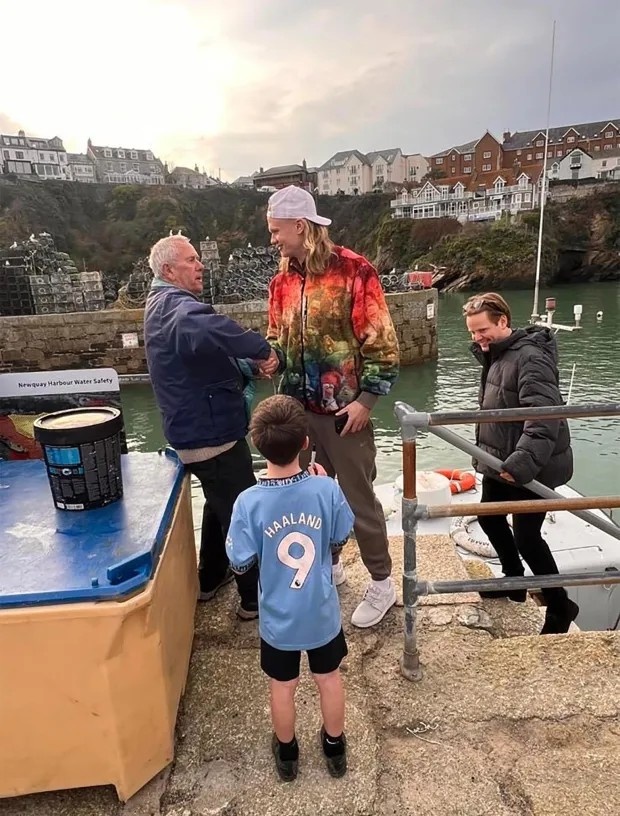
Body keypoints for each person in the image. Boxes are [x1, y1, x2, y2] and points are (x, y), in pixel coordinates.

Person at [261, 185, 400, 629]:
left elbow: (382, 343)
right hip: (297, 414)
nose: (273, 239)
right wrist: (268, 358)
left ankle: (382, 583)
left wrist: (366, 401)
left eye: (276, 231)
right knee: (308, 498)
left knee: (358, 500)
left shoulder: (356, 271)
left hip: (345, 413)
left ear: (300, 226)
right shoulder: (281, 282)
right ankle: (332, 565)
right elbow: (276, 338)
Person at [144, 234, 278, 618]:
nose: (200, 265)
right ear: (169, 270)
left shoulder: (162, 305)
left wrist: (246, 365)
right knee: (242, 513)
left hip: (195, 430)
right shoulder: (177, 308)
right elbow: (207, 329)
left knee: (219, 503)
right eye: (191, 260)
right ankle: (254, 600)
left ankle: (211, 576)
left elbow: (203, 353)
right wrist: (263, 350)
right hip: (211, 435)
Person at [225, 395, 354, 781]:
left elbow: (240, 562)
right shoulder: (325, 489)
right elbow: (340, 538)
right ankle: (334, 747)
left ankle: (287, 754)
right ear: (305, 442)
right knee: (328, 679)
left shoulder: (248, 502)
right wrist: (323, 485)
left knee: (282, 686)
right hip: (321, 612)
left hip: (278, 620)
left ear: (256, 443)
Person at [463, 292, 579, 635]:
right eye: (472, 332)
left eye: (482, 330)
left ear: (503, 321)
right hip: (500, 459)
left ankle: (560, 605)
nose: (477, 338)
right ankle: (513, 580)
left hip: (531, 465)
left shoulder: (530, 357)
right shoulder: (497, 354)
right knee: (489, 517)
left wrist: (522, 463)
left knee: (528, 537)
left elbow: (544, 417)